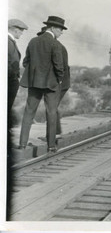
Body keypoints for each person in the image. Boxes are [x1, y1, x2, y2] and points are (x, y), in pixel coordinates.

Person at [18, 16, 67, 153]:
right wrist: (60, 79)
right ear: (52, 28)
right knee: (51, 113)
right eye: (60, 29)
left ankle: (22, 143)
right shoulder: (55, 44)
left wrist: (34, 74)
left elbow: (25, 62)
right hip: (51, 84)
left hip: (34, 83)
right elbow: (59, 65)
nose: (61, 32)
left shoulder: (33, 41)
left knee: (28, 112)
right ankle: (51, 146)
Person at [37, 26, 70, 136]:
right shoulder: (57, 46)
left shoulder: (56, 46)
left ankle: (53, 135)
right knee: (53, 108)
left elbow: (59, 67)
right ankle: (56, 133)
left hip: (60, 82)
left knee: (51, 108)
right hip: (61, 81)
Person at [8, 19, 29, 130]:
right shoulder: (7, 41)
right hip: (9, 81)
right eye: (21, 31)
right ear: (15, 30)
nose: (21, 34)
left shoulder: (9, 41)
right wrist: (13, 77)